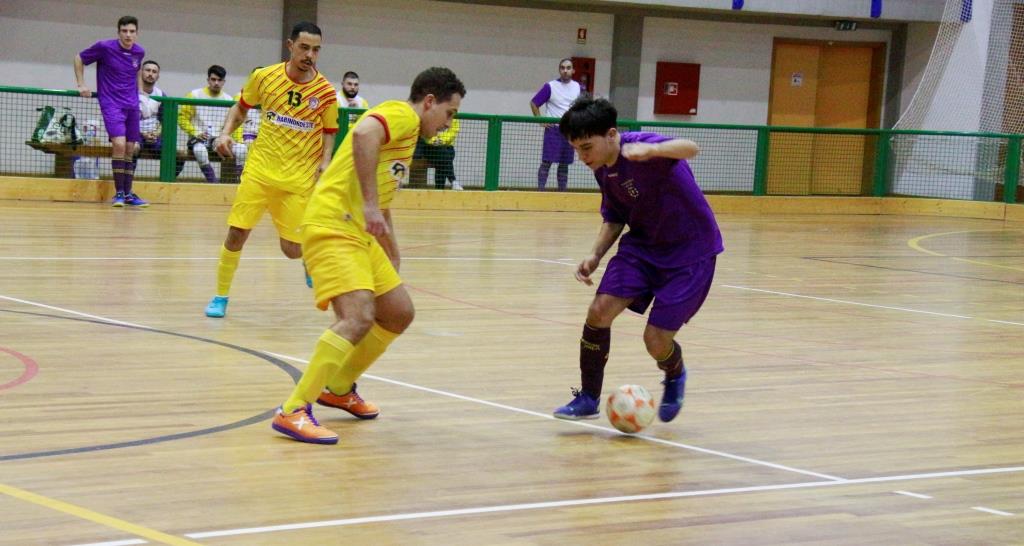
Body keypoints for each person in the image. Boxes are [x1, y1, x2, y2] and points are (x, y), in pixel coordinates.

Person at [271, 67, 466, 445]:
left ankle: (338, 387)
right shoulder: (402, 114)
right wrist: (371, 207)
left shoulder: (407, 138)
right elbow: (362, 133)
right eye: (449, 113)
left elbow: (382, 196)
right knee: (357, 317)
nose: (447, 123)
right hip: (333, 224)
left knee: (397, 312)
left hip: (360, 233)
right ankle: (294, 409)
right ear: (429, 102)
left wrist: (390, 246)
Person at [551, 97, 723, 425]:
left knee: (656, 341)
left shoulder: (642, 147)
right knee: (598, 311)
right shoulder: (603, 170)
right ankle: (587, 397)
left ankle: (674, 374)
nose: (581, 157)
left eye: (586, 147)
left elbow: (691, 147)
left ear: (612, 134)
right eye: (576, 149)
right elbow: (615, 215)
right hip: (643, 247)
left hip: (690, 253)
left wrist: (655, 151)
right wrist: (595, 255)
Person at [203, 22, 338, 318]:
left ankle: (307, 260)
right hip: (259, 171)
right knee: (237, 233)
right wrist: (225, 133)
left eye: (316, 50)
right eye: (304, 47)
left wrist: (325, 160)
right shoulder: (264, 77)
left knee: (291, 249)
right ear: (290, 46)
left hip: (298, 180)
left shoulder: (326, 92)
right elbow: (241, 108)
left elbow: (330, 130)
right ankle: (220, 296)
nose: (310, 55)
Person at [74, 15, 148, 207]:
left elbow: (137, 70)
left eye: (132, 31)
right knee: (119, 144)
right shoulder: (105, 47)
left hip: (131, 104)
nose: (128, 35)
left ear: (137, 34)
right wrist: (82, 84)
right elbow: (79, 58)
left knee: (131, 148)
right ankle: (119, 193)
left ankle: (129, 193)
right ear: (118, 33)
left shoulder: (139, 52)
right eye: (124, 31)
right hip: (111, 103)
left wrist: (140, 93)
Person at [179, 65, 241, 183]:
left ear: (224, 82)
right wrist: (195, 132)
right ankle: (213, 182)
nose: (216, 83)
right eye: (213, 79)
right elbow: (182, 118)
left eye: (219, 80)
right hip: (198, 140)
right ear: (208, 80)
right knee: (200, 151)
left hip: (218, 140)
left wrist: (229, 137)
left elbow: (233, 123)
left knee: (241, 149)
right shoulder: (194, 95)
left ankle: (240, 183)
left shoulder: (229, 100)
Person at [530, 58, 580, 192]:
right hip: (553, 131)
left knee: (564, 165)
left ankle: (562, 194)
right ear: (559, 70)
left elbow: (583, 107)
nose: (565, 70)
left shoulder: (578, 87)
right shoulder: (550, 86)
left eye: (568, 68)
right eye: (562, 68)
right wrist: (540, 120)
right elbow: (534, 103)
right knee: (546, 162)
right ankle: (540, 192)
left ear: (573, 70)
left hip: (569, 131)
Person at [411, 117, 461, 190]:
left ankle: (440, 189)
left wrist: (441, 140)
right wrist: (434, 140)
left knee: (444, 156)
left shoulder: (453, 116)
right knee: (444, 156)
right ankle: (452, 181)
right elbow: (425, 131)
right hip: (430, 146)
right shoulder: (432, 113)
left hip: (447, 146)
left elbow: (453, 132)